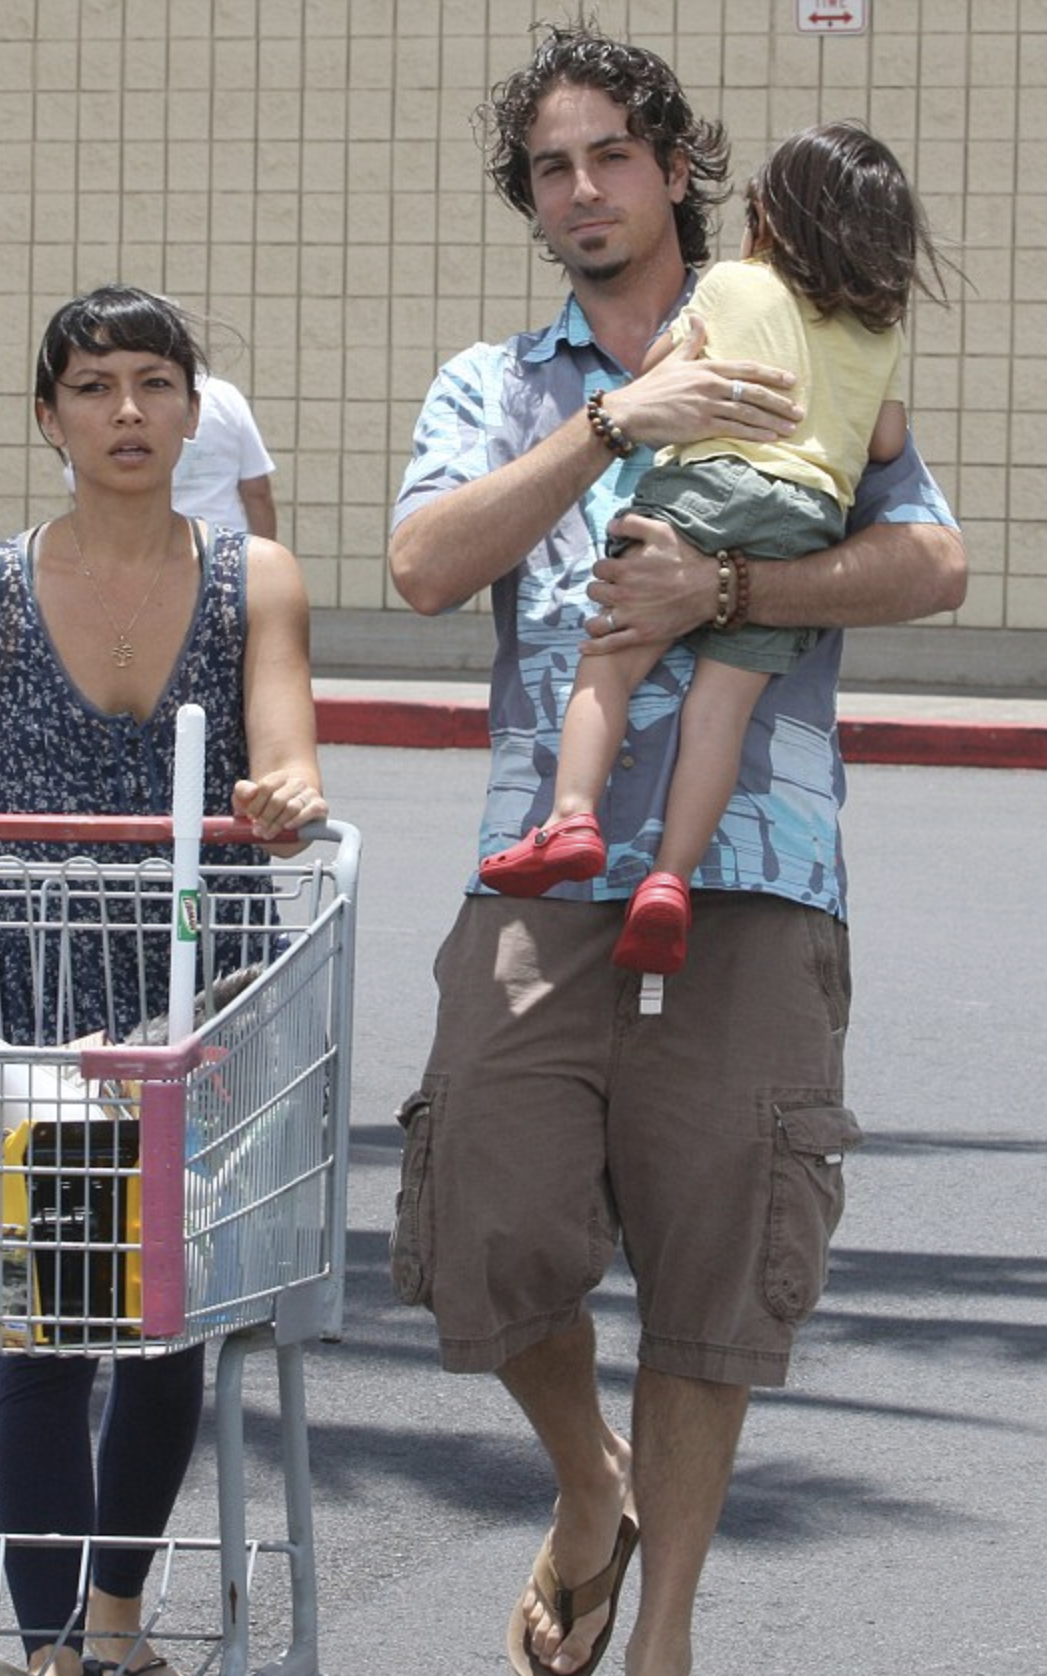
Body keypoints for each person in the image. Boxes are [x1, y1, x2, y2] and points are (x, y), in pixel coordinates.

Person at [388, 25, 965, 1676]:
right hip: (541, 873)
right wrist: (611, 421)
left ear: (677, 167)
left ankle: (667, 1637)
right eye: (551, 166)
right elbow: (426, 563)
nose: (580, 188)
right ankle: (590, 1491)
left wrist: (727, 595)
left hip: (758, 876)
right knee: (484, 1224)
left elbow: (926, 558)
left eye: (609, 156)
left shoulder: (814, 324)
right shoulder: (494, 386)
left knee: (715, 1272)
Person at [0, 284, 327, 1676]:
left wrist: (289, 786)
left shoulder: (258, 577)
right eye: (94, 387)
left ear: (196, 409)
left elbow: (287, 743)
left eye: (155, 383)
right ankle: (54, 1648)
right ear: (48, 416)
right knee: (39, 1338)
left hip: (195, 995)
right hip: (12, 995)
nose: (127, 412)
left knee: (167, 1329)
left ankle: (116, 1624)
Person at [478, 120, 948, 978]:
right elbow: (884, 443)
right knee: (720, 713)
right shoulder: (879, 337)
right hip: (805, 518)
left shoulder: (733, 284)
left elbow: (664, 365)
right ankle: (671, 880)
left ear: (767, 216)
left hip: (709, 489)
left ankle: (573, 814)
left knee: (610, 661)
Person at [172, 373, 278, 537]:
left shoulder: (132, 402)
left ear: (194, 408)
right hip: (224, 543)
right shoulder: (225, 396)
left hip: (149, 544)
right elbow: (257, 492)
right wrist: (266, 556)